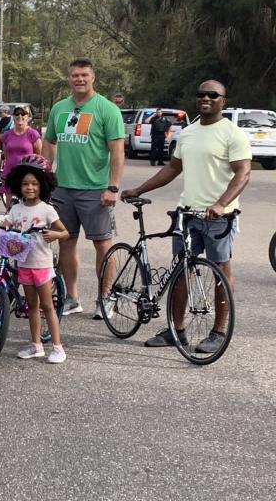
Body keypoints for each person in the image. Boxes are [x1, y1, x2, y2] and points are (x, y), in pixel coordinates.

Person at [121, 79, 250, 354]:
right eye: (201, 94)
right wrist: (139, 188)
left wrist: (221, 203)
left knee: (221, 274)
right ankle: (175, 330)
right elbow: (172, 169)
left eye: (213, 95)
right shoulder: (188, 133)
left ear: (222, 101)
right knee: (181, 271)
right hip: (187, 214)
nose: (206, 98)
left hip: (219, 217)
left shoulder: (232, 134)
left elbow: (243, 173)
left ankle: (217, 332)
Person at [42, 58, 125, 318]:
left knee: (103, 245)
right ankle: (72, 297)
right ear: (69, 78)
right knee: (66, 243)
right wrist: (45, 176)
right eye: (75, 75)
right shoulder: (59, 108)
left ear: (93, 77)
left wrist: (113, 187)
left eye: (84, 75)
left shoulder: (107, 109)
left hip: (95, 189)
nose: (79, 79)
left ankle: (105, 297)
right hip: (63, 188)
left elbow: (117, 150)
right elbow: (49, 142)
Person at [0, 155, 69, 363]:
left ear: (42, 186)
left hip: (42, 265)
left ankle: (58, 347)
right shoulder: (16, 209)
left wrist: (54, 235)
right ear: (18, 186)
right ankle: (36, 345)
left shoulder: (47, 210)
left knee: (47, 306)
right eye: (25, 184)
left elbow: (64, 232)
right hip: (23, 264)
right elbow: (4, 226)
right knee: (32, 307)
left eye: (34, 184)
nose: (29, 188)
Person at [0, 105, 42, 207]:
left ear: (28, 117)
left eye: (23, 114)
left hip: (27, 173)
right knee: (10, 208)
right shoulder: (7, 135)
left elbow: (38, 154)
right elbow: (6, 153)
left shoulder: (33, 134)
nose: (20, 116)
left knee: (27, 206)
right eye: (17, 114)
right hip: (10, 173)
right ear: (13, 116)